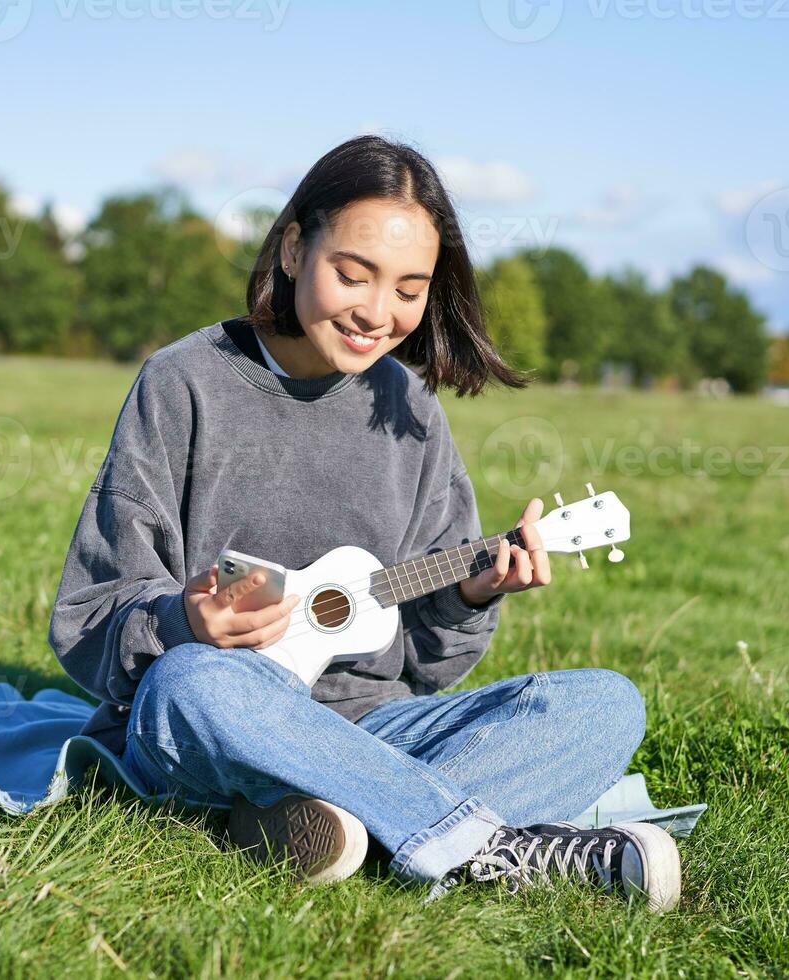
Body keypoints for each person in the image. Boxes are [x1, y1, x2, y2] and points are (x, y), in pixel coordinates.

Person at [47, 134, 680, 910]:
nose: (378, 313)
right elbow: (87, 618)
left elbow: (425, 670)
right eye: (354, 275)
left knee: (606, 704)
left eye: (410, 290)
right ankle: (485, 847)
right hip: (218, 725)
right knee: (195, 684)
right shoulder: (184, 383)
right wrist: (182, 621)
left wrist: (468, 598)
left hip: (374, 732)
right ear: (291, 249)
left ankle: (316, 820)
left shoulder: (409, 410)